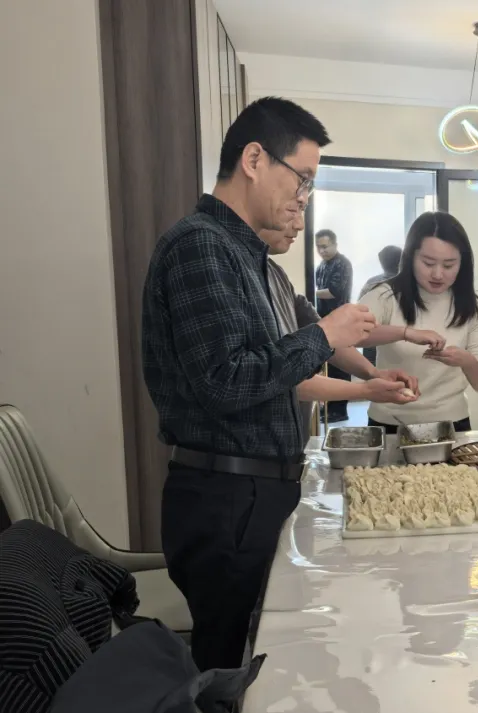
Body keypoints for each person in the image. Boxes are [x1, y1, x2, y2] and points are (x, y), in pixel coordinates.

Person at [142, 97, 376, 670]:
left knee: (260, 658)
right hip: (226, 497)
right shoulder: (200, 245)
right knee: (230, 671)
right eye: (302, 178)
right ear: (253, 159)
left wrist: (354, 358)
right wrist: (323, 336)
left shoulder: (245, 257)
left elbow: (266, 366)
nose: (304, 198)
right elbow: (225, 382)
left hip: (250, 492)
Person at [260, 212, 419, 436]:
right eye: (292, 209)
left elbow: (327, 335)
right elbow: (277, 378)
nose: (299, 225)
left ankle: (338, 410)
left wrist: (373, 374)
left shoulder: (277, 274)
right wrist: (366, 387)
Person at [357, 211, 478, 432]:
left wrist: (466, 361)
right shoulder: (385, 296)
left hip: (451, 424)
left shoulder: (472, 308)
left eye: (449, 265)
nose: (438, 274)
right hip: (390, 422)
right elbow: (346, 337)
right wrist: (405, 333)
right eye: (428, 263)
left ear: (463, 263)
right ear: (410, 257)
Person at [315, 229, 354, 421]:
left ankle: (339, 411)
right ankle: (330, 407)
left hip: (341, 322)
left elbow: (334, 292)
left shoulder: (342, 264)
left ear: (335, 244)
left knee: (342, 366)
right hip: (325, 322)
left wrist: (309, 292)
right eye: (319, 247)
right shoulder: (321, 266)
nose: (322, 250)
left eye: (325, 246)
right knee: (329, 366)